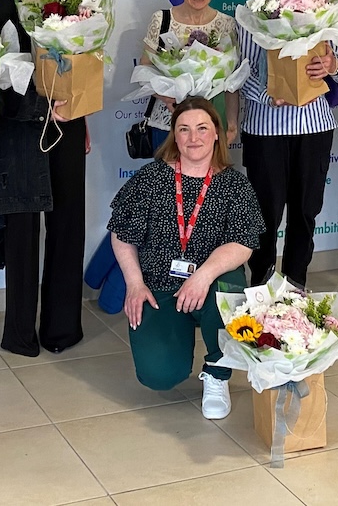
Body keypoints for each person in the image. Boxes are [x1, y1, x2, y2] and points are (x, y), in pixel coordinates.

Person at [0, 0, 87, 357]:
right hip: (22, 124)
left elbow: (85, 69)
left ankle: (62, 328)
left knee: (67, 223)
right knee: (22, 226)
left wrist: (81, 117)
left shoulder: (77, 4)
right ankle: (20, 332)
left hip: (67, 124)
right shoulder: (5, 2)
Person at [109, 98, 260, 420]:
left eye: (202, 128)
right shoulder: (151, 179)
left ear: (217, 134)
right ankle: (176, 338)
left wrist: (202, 277)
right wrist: (135, 285)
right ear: (174, 136)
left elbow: (243, 243)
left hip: (211, 282)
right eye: (184, 129)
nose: (194, 138)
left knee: (227, 293)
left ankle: (217, 375)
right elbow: (122, 234)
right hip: (159, 284)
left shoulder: (235, 183)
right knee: (158, 377)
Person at [237, 0, 338, 286]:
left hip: (314, 126)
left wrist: (332, 65)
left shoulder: (327, 12)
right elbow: (240, 73)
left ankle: (295, 282)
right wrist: (268, 94)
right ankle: (260, 282)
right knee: (264, 213)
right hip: (266, 127)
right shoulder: (252, 13)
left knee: (306, 211)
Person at [140, 0, 241, 150]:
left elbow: (232, 83)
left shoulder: (227, 24)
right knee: (168, 181)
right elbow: (144, 71)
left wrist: (231, 123)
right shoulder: (162, 20)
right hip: (168, 123)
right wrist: (166, 96)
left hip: (211, 124)